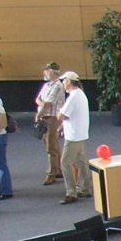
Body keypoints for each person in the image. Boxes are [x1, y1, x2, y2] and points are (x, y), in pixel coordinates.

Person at [57, 72, 90, 204]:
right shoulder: (80, 94)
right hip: (80, 133)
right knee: (81, 162)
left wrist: (59, 116)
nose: (62, 83)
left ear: (69, 82)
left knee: (65, 162)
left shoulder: (73, 97)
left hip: (73, 136)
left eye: (64, 80)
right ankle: (85, 188)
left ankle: (71, 192)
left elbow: (61, 115)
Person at [35, 62, 64, 185]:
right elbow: (38, 99)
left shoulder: (57, 86)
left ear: (52, 72)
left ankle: (51, 173)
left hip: (53, 118)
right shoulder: (47, 85)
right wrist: (42, 105)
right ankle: (59, 168)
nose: (44, 73)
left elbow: (48, 103)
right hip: (46, 117)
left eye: (46, 70)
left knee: (51, 146)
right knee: (50, 143)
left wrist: (38, 114)